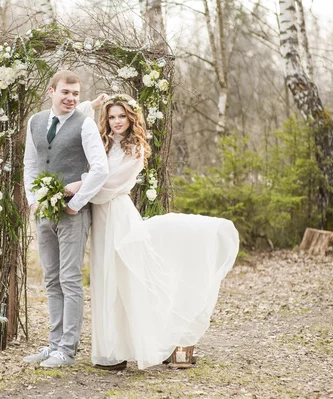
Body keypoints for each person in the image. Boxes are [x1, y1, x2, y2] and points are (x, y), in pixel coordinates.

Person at [67, 94, 240, 370]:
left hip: (117, 214)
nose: (116, 122)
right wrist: (91, 105)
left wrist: (78, 187)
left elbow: (109, 184)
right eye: (111, 117)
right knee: (102, 278)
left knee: (123, 279)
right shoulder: (104, 143)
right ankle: (109, 349)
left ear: (131, 118)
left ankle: (128, 347)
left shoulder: (134, 150)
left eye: (121, 116)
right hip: (99, 217)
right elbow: (70, 120)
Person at [22, 70, 109, 368]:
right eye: (66, 93)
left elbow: (100, 169)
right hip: (43, 214)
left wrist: (77, 203)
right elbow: (30, 163)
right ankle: (54, 344)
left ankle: (68, 350)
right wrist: (33, 200)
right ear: (51, 91)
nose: (71, 98)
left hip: (73, 215)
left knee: (70, 280)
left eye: (75, 94)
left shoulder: (85, 125)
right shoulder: (34, 122)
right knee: (51, 279)